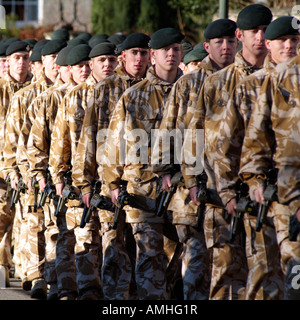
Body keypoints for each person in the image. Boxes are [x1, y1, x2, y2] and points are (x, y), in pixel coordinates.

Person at [189, 4, 273, 300]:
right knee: (226, 279)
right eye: (254, 32)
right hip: (224, 196)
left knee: (268, 281)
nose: (260, 38)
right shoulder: (217, 83)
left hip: (270, 196)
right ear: (241, 35)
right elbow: (197, 137)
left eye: (265, 30)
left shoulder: (284, 79)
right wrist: (200, 186)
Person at [152, 18, 238, 300]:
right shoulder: (189, 84)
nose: (225, 47)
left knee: (231, 269)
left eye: (230, 41)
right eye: (218, 43)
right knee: (197, 269)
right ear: (206, 46)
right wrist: (167, 172)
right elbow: (169, 131)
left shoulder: (245, 80)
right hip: (194, 192)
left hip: (233, 188)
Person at [217, 16, 300, 300]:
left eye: (295, 40)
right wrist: (237, 188)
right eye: (283, 40)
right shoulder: (255, 85)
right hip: (269, 194)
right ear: (269, 45)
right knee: (267, 276)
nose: (289, 46)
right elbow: (234, 141)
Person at [101, 27, 184, 300]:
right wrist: (112, 184)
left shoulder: (194, 90)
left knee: (180, 252)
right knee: (149, 257)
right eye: (165, 50)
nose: (171, 55)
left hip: (184, 190)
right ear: (154, 55)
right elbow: (114, 144)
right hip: (142, 190)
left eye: (176, 49)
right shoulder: (134, 96)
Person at [72, 32, 151, 300]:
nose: (139, 59)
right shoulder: (104, 90)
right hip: (110, 183)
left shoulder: (158, 87)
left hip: (147, 184)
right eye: (134, 53)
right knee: (115, 249)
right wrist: (83, 183)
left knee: (149, 252)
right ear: (123, 58)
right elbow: (88, 139)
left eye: (144, 52)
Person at [3, 39, 67, 299]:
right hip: (30, 171)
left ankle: (49, 277)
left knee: (54, 227)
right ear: (42, 62)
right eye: (51, 57)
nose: (55, 62)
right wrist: (17, 172)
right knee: (33, 223)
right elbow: (15, 140)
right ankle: (36, 275)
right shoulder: (26, 96)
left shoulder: (68, 93)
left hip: (57, 173)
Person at [49, 44, 103, 300]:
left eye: (86, 64)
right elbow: (60, 141)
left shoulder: (117, 92)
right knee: (78, 235)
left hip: (107, 177)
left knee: (104, 240)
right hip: (78, 179)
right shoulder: (72, 97)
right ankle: (73, 288)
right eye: (79, 66)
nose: (83, 70)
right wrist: (57, 176)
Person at [0, 40, 32, 287]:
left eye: (24, 57)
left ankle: (23, 271)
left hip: (27, 167)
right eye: (16, 58)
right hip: (1, 166)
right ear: (7, 61)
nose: (21, 62)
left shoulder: (36, 89)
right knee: (2, 219)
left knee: (22, 220)